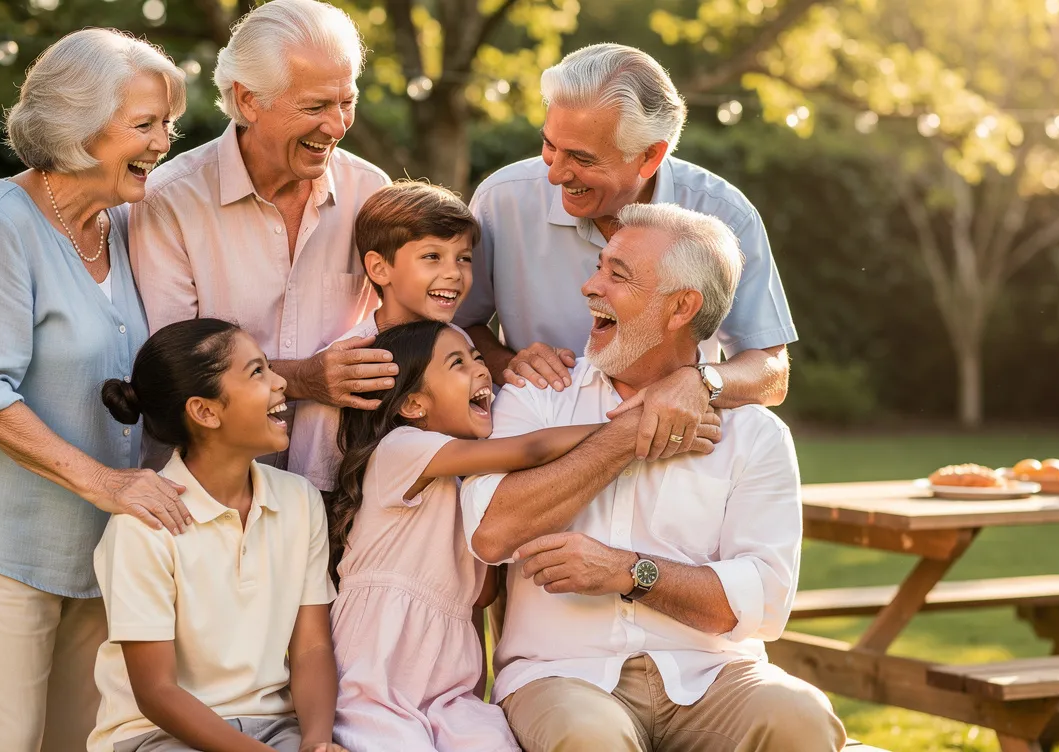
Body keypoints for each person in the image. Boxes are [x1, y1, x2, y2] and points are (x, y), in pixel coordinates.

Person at [0, 29, 190, 751]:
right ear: (77, 127)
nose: (165, 142)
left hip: (92, 543)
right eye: (145, 124)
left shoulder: (118, 224)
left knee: (78, 742)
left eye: (168, 124)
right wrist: (107, 484)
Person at [461, 204, 847, 752]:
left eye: (617, 275)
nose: (590, 287)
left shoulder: (754, 433)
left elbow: (763, 602)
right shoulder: (536, 393)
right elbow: (490, 532)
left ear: (681, 308)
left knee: (802, 718)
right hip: (561, 674)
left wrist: (628, 571)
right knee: (588, 738)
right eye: (600, 266)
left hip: (712, 675)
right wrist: (625, 438)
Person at [324, 321, 725, 752]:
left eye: (477, 357)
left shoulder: (471, 490)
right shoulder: (400, 450)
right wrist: (635, 428)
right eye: (457, 363)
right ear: (414, 404)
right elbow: (530, 450)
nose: (480, 371)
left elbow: (480, 593)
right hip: (377, 674)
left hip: (446, 691)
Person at [456, 43, 797, 462]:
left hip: (667, 453)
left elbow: (771, 371)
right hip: (533, 447)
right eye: (549, 145)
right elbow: (452, 326)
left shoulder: (726, 214)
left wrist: (700, 382)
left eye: (581, 157)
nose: (555, 173)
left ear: (650, 155)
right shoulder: (501, 199)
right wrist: (504, 360)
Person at [130, 0, 394, 468]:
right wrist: (304, 379)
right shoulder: (169, 201)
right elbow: (175, 372)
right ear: (249, 99)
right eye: (315, 106)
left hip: (335, 484)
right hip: (210, 493)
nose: (336, 126)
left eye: (346, 101)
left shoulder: (370, 191)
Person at [91, 319, 344, 752]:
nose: (281, 382)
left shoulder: (299, 500)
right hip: (159, 736)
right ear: (205, 411)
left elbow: (311, 649)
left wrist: (317, 743)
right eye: (257, 372)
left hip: (277, 728)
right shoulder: (142, 525)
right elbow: (157, 693)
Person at [286, 181, 479, 491]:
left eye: (464, 258)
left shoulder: (462, 344)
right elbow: (314, 485)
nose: (454, 273)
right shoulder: (346, 364)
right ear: (379, 268)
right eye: (432, 256)